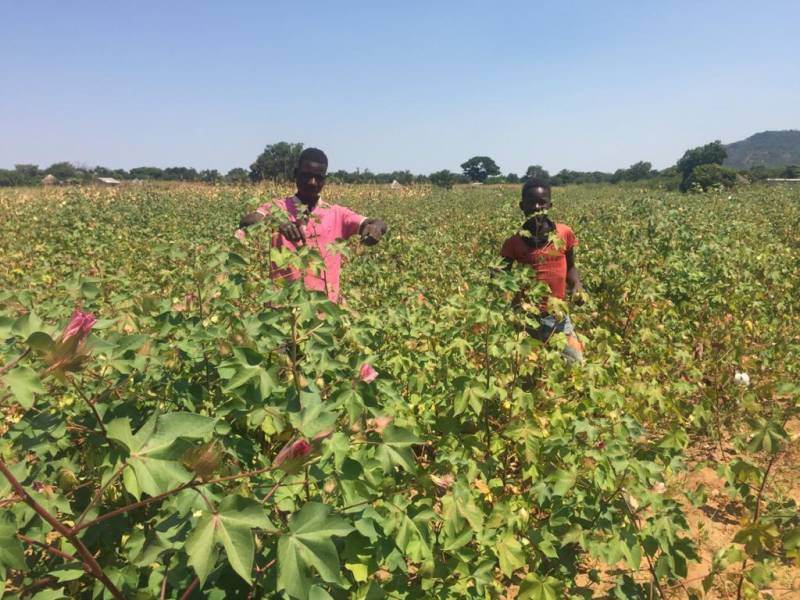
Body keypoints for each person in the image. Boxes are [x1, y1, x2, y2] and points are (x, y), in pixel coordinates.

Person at [236, 148, 387, 303]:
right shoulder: (277, 208)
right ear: (295, 174)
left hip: (325, 316)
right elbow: (247, 221)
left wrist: (376, 228)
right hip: (283, 311)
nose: (312, 182)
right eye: (306, 175)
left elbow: (376, 223)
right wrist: (276, 222)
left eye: (318, 177)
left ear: (325, 180)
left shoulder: (337, 213)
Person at [500, 178, 585, 362]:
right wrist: (510, 296)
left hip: (557, 315)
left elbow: (570, 266)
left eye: (542, 202)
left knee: (575, 362)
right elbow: (500, 275)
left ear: (550, 205)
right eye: (531, 203)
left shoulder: (564, 234)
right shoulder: (513, 243)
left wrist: (577, 285)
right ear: (522, 206)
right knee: (527, 366)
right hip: (525, 318)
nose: (537, 207)